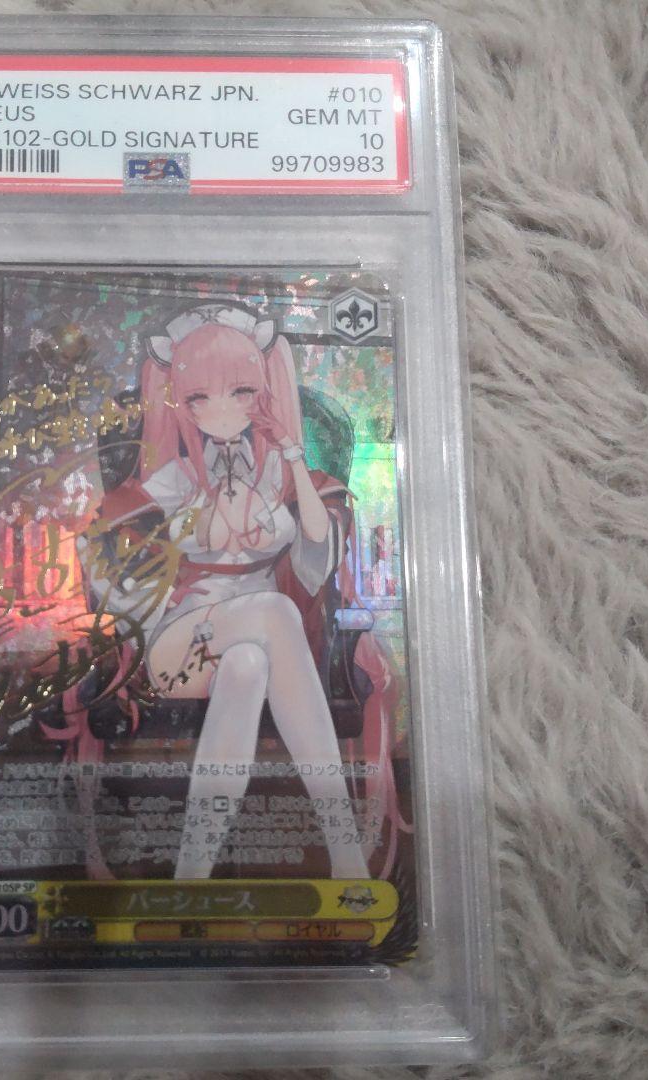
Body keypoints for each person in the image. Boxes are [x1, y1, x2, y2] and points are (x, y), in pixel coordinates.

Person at [70, 303, 408, 879]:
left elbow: (319, 541)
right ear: (179, 401)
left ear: (263, 393)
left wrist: (294, 456)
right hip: (181, 645)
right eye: (199, 398)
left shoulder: (278, 472)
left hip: (260, 646)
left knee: (249, 665)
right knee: (273, 611)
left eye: (241, 392)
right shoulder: (171, 479)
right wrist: (166, 552)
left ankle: (193, 871)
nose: (221, 411)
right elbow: (107, 560)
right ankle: (344, 848)